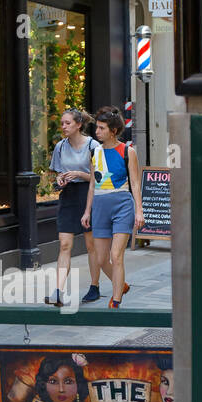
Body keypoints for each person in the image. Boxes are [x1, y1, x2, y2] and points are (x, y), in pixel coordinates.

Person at [81, 105, 144, 308]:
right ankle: (121, 284)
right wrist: (87, 210)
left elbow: (135, 183)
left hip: (122, 206)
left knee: (116, 255)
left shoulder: (128, 151)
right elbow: (92, 183)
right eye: (97, 127)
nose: (97, 132)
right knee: (100, 259)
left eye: (101, 128)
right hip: (99, 207)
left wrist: (139, 211)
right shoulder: (94, 152)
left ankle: (116, 300)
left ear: (113, 131)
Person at [44, 108, 102, 306]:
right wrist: (61, 178)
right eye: (62, 123)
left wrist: (79, 174)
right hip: (68, 196)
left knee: (91, 245)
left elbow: (100, 178)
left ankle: (94, 286)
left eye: (67, 123)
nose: (63, 127)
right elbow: (58, 173)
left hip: (89, 194)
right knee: (65, 244)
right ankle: (58, 291)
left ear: (78, 125)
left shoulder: (93, 145)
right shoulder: (60, 147)